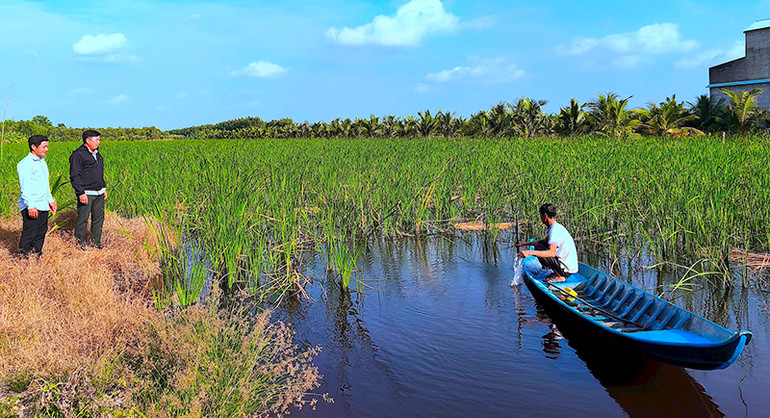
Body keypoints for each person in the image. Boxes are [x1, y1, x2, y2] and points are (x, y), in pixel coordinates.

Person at [515, 203, 578, 283]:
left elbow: (551, 253)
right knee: (539, 245)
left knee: (541, 248)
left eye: (541, 216)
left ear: (545, 216)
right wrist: (523, 244)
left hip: (566, 270)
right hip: (569, 268)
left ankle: (559, 276)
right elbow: (543, 242)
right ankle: (557, 273)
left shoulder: (554, 231)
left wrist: (530, 252)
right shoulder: (556, 227)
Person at [17, 135, 57, 257]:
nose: (46, 149)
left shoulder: (42, 162)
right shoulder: (25, 164)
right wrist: (31, 206)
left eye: (47, 146)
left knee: (41, 232)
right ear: (34, 147)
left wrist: (50, 200)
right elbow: (25, 187)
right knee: (30, 233)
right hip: (32, 205)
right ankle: (24, 259)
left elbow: (45, 184)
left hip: (43, 204)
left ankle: (36, 256)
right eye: (44, 146)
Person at [70, 129, 106, 249]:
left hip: (99, 192)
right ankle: (79, 243)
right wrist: (81, 193)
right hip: (86, 193)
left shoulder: (97, 154)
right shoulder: (78, 155)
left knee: (98, 218)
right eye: (97, 140)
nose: (99, 142)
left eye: (99, 140)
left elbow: (99, 172)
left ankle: (96, 242)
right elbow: (75, 176)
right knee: (83, 219)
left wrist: (103, 187)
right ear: (88, 140)